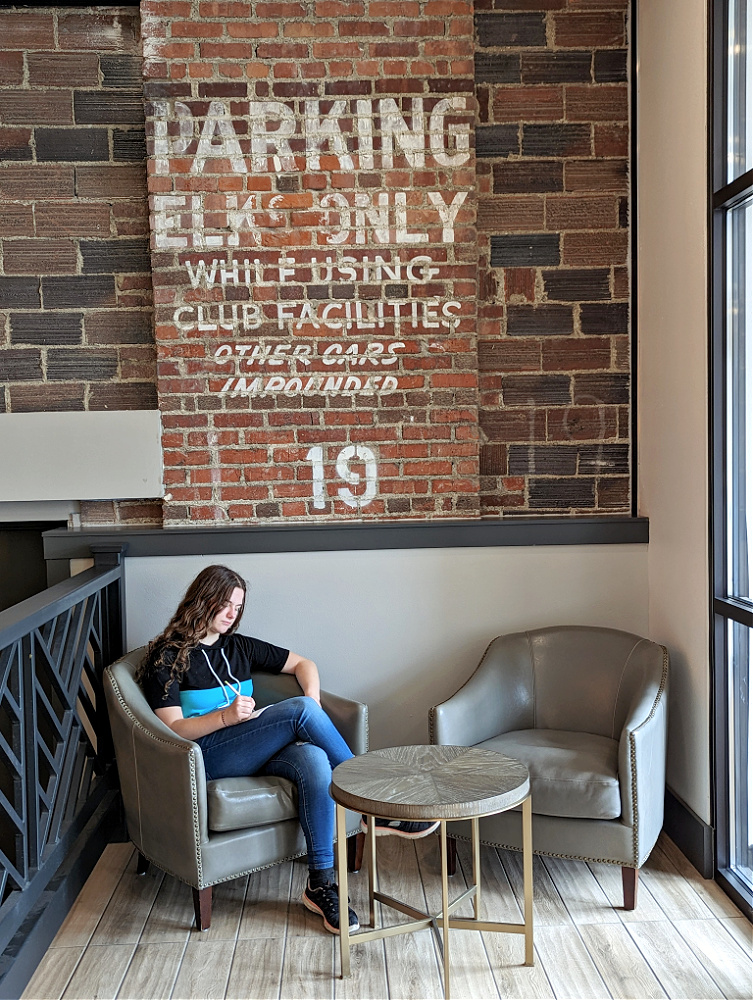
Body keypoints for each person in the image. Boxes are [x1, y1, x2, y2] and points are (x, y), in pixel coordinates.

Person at [137, 564, 438, 934]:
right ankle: (372, 801)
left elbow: (303, 664)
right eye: (226, 604)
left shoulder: (239, 646)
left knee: (312, 758)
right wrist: (226, 718)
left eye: (238, 606)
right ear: (204, 600)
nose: (233, 614)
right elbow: (172, 728)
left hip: (250, 747)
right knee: (298, 714)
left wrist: (311, 701)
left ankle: (321, 884)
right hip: (205, 757)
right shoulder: (168, 656)